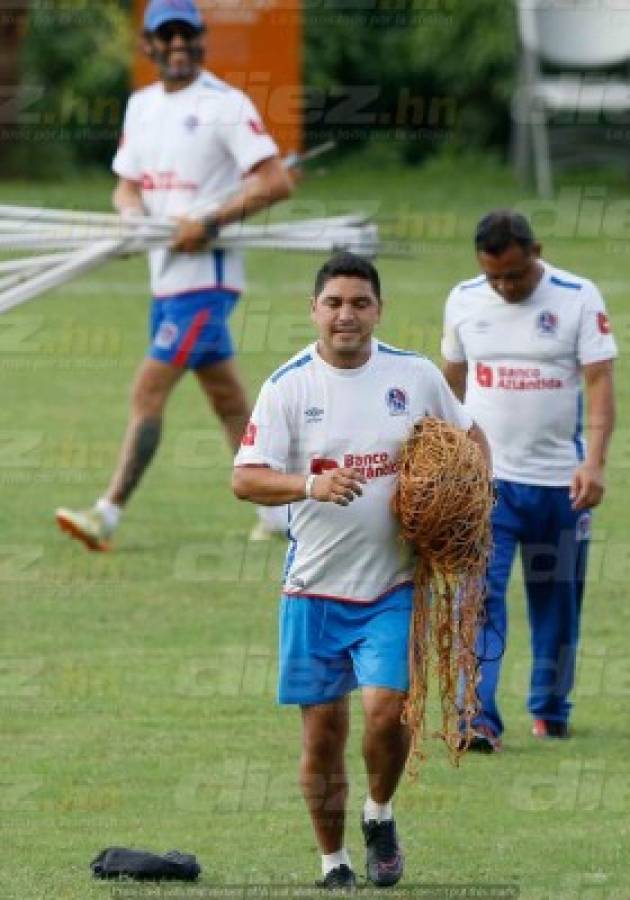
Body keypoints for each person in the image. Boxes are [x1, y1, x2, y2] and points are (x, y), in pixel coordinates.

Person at [232, 252, 490, 889]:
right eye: (334, 303)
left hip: (391, 586)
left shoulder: (415, 373)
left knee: (386, 708)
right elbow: (245, 479)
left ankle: (379, 815)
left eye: (360, 303)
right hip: (314, 590)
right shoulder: (287, 385)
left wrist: (470, 499)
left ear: (379, 309)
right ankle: (333, 862)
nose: (346, 315)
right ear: (313, 309)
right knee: (322, 739)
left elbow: (471, 438)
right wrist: (307, 486)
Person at [56, 0, 292, 550]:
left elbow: (275, 181)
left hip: (206, 279)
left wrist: (209, 220)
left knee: (148, 389)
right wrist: (131, 220)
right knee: (229, 399)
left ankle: (106, 512)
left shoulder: (225, 105)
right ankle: (282, 514)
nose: (178, 45)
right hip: (165, 277)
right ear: (150, 46)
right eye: (168, 36)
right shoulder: (140, 106)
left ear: (203, 41)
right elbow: (126, 183)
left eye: (188, 34)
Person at [441, 210, 617, 752]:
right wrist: (447, 458)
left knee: (557, 601)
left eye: (514, 275)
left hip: (559, 486)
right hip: (487, 483)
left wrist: (595, 463)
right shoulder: (464, 299)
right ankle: (477, 718)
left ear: (535, 251)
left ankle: (550, 707)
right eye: (494, 276)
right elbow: (449, 382)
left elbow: (600, 384)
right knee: (477, 600)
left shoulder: (577, 297)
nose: (504, 287)